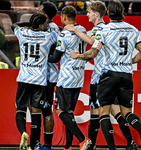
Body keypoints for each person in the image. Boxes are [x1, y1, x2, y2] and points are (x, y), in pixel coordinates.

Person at [70, 0, 141, 150]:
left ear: (108, 13)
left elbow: (92, 54)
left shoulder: (105, 30)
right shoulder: (133, 29)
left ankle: (112, 149)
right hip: (127, 75)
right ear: (122, 12)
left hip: (109, 75)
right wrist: (128, 61)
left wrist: (78, 56)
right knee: (126, 112)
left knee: (104, 113)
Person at [11, 13, 57, 150]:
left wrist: (28, 24)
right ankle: (34, 144)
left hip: (24, 78)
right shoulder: (49, 36)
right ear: (41, 25)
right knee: (36, 112)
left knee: (20, 109)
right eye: (46, 23)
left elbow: (14, 25)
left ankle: (23, 133)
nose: (48, 25)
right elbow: (58, 31)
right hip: (39, 80)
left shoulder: (22, 33)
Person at [48, 6, 91, 150]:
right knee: (69, 113)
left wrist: (44, 54)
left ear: (65, 18)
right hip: (79, 76)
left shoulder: (64, 35)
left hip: (66, 78)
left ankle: (82, 139)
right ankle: (67, 146)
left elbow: (55, 58)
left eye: (61, 18)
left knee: (60, 112)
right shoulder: (83, 30)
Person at [35, 2, 61, 150]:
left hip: (43, 75)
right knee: (45, 109)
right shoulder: (56, 29)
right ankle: (47, 145)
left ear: (44, 15)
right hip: (49, 75)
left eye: (39, 10)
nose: (36, 11)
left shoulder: (45, 28)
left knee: (40, 109)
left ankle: (40, 143)